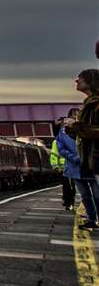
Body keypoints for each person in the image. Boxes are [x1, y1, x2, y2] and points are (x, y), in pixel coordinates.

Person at [62, 69, 99, 231]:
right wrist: (71, 128)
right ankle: (93, 219)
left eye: (80, 78)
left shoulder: (96, 105)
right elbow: (83, 134)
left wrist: (75, 125)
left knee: (97, 194)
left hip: (96, 156)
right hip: (90, 158)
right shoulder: (88, 104)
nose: (76, 81)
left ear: (90, 81)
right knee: (87, 195)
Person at [53, 112, 81, 211]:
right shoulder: (61, 135)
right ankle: (69, 203)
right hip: (68, 166)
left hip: (78, 164)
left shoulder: (81, 132)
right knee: (69, 187)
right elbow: (58, 152)